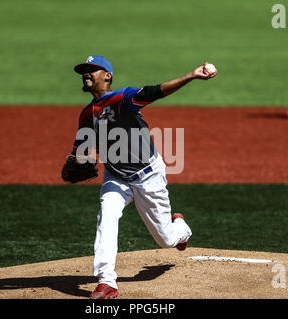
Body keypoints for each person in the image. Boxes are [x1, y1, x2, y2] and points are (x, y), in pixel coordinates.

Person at [63, 55, 217, 299]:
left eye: (92, 70)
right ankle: (107, 282)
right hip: (115, 177)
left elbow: (155, 91)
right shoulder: (86, 115)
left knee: (166, 239)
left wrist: (192, 75)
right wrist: (78, 161)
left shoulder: (121, 98)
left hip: (149, 176)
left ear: (107, 75)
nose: (86, 73)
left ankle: (181, 228)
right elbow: (81, 151)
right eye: (84, 70)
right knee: (107, 215)